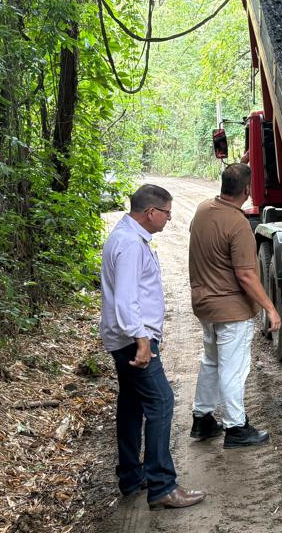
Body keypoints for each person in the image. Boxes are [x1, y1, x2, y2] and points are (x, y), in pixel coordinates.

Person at [100, 184, 205, 510]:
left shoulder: (124, 235)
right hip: (134, 340)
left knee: (131, 404)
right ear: (150, 212)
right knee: (161, 401)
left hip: (124, 339)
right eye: (167, 214)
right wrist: (143, 342)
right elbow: (127, 300)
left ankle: (132, 477)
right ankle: (162, 485)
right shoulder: (130, 244)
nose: (169, 220)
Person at [187, 163, 280, 448]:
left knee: (212, 361)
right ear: (247, 189)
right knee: (234, 369)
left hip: (205, 306)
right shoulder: (237, 223)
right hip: (231, 310)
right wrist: (270, 308)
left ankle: (202, 419)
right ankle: (236, 428)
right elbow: (246, 274)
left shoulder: (203, 210)